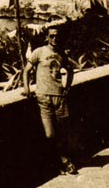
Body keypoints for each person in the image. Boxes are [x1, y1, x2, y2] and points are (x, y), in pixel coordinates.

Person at [23, 26, 77, 175]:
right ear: (47, 37)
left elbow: (70, 70)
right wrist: (27, 88)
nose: (55, 39)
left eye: (57, 36)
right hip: (43, 97)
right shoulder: (39, 52)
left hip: (59, 96)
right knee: (50, 134)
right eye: (52, 36)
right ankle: (59, 160)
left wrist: (67, 86)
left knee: (63, 131)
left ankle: (64, 161)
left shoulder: (61, 54)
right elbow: (26, 70)